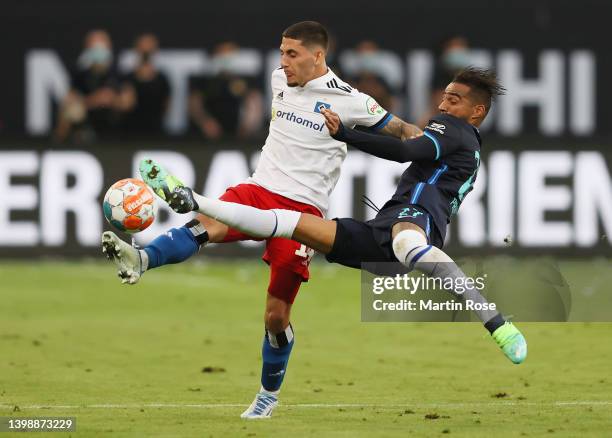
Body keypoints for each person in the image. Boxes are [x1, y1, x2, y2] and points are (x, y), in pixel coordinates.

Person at [102, 21, 420, 419]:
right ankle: (143, 259)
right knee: (204, 226)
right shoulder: (278, 80)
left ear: (318, 56)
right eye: (281, 52)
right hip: (258, 189)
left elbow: (403, 130)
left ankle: (268, 395)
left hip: (302, 214)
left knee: (275, 317)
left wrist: (440, 152)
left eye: (292, 54)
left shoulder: (353, 101)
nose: (283, 62)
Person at [137, 67, 528, 371]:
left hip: (415, 221)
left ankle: (495, 322)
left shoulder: (453, 130)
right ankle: (193, 205)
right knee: (289, 222)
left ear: (476, 112)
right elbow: (415, 148)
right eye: (444, 98)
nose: (443, 107)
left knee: (407, 241)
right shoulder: (467, 148)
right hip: (382, 231)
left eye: (455, 100)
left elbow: (405, 151)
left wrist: (345, 133)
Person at [55, 30, 120, 143]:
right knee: (71, 110)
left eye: (101, 46)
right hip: (89, 125)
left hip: (115, 125)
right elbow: (72, 99)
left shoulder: (117, 72)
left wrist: (109, 99)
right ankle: (58, 145)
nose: (98, 50)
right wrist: (91, 101)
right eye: (94, 47)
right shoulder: (80, 74)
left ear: (108, 46)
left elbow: (114, 99)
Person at [188, 42, 264, 140]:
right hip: (208, 135)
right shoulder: (205, 80)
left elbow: (254, 102)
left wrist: (248, 124)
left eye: (230, 54)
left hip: (238, 135)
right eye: (223, 54)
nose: (226, 58)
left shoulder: (245, 80)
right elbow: (194, 104)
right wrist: (205, 122)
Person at [116, 33, 170, 137]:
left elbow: (166, 107)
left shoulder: (163, 79)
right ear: (136, 49)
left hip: (155, 133)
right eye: (143, 46)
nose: (146, 50)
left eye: (149, 46)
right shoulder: (127, 78)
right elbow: (123, 106)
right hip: (128, 133)